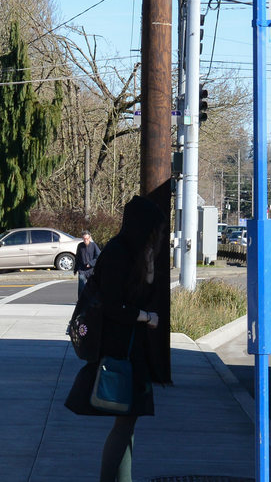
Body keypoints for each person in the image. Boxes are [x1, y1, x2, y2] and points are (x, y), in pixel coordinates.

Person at [64, 196, 171, 482]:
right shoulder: (117, 253)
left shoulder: (136, 252)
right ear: (144, 227)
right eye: (155, 230)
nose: (158, 236)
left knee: (128, 422)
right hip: (119, 348)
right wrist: (146, 318)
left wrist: (149, 263)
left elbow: (143, 293)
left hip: (132, 348)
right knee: (125, 422)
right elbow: (114, 306)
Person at [75, 231, 101, 298]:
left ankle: (93, 299)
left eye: (87, 238)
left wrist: (91, 263)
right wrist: (75, 269)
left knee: (93, 286)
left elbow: (98, 256)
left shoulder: (94, 245)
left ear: (89, 238)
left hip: (91, 270)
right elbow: (77, 257)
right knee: (81, 284)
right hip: (82, 269)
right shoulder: (80, 246)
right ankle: (81, 300)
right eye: (84, 238)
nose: (85, 240)